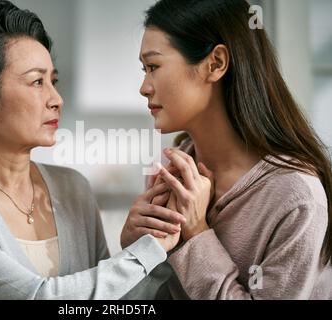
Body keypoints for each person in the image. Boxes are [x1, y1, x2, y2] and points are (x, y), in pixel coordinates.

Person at [0, 0, 181, 300]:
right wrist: (146, 252)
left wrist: (157, 241)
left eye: (54, 80)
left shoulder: (73, 188)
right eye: (37, 81)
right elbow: (38, 297)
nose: (57, 99)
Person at [121, 0, 332, 299]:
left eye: (154, 66)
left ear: (216, 63)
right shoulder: (171, 172)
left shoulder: (296, 198)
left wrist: (196, 233)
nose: (144, 86)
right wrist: (137, 251)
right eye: (145, 69)